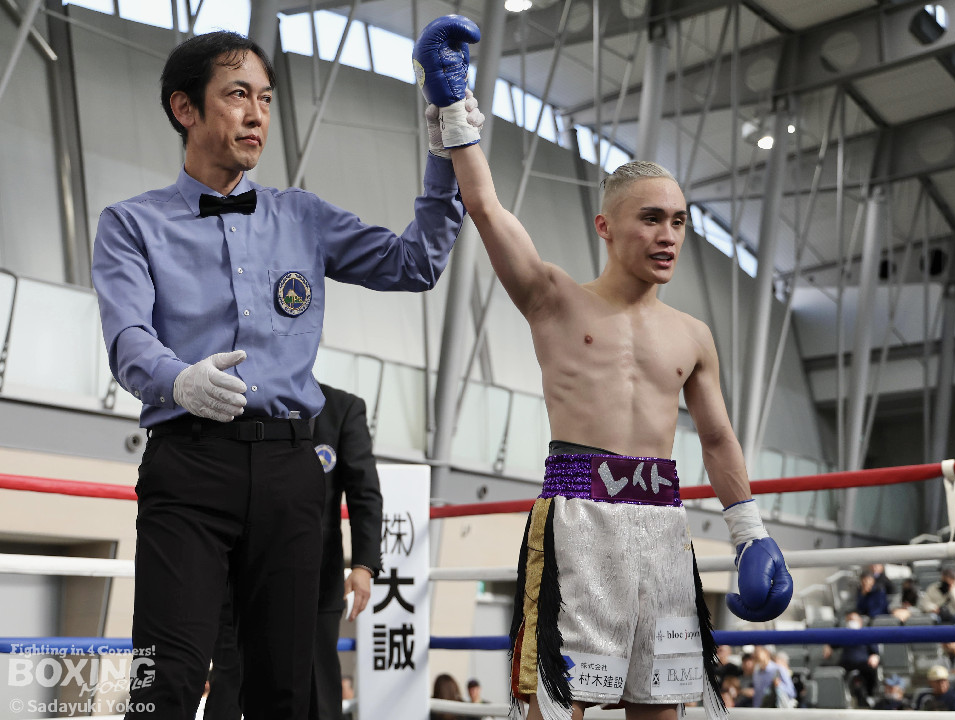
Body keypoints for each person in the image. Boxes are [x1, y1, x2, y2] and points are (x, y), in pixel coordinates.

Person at [412, 15, 793, 720]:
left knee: (662, 707)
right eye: (651, 218)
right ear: (606, 226)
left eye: (678, 221)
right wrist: (452, 109)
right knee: (558, 708)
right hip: (577, 519)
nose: (668, 235)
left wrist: (749, 530)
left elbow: (717, 439)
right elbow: (486, 208)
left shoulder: (693, 335)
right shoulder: (554, 300)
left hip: (664, 528)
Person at [92, 30, 466, 720]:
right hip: (189, 466)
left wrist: (446, 148)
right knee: (164, 681)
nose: (257, 114)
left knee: (287, 691)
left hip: (293, 471)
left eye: (265, 99)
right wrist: (178, 380)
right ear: (185, 108)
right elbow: (128, 338)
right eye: (237, 95)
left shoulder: (303, 216)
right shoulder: (131, 224)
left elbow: (414, 264)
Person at [203, 384, 384, 720]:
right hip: (239, 567)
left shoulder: (342, 408)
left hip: (317, 577)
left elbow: (365, 492)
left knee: (318, 686)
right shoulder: (245, 396)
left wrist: (363, 565)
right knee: (231, 674)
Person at [822, 610, 880, 707]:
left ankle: (869, 696)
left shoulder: (867, 634)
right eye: (849, 620)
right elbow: (832, 644)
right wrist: (828, 646)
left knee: (871, 671)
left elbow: (874, 652)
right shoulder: (844, 635)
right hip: (846, 663)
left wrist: (875, 657)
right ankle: (835, 698)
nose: (851, 622)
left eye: (853, 619)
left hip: (863, 663)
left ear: (860, 621)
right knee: (827, 669)